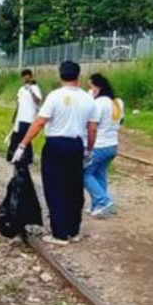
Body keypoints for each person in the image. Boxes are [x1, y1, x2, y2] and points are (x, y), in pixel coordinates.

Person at [12, 61, 98, 246]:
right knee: (75, 188)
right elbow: (92, 129)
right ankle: (73, 231)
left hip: (56, 145)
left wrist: (22, 144)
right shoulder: (88, 98)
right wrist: (89, 150)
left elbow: (40, 122)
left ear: (60, 75)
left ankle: (59, 234)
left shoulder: (55, 96)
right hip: (77, 145)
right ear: (78, 76)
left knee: (55, 188)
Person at [84, 73, 123, 218]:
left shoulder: (99, 103)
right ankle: (97, 206)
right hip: (112, 144)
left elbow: (93, 126)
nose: (90, 90)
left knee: (85, 173)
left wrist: (88, 146)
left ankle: (103, 201)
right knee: (99, 174)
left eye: (91, 87)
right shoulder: (117, 102)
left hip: (99, 145)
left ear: (98, 87)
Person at [7, 69, 44, 176]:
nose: (26, 78)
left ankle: (26, 161)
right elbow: (18, 104)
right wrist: (14, 118)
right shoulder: (21, 89)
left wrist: (31, 91)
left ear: (31, 76)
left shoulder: (35, 88)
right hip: (20, 118)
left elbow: (38, 101)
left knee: (25, 139)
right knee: (16, 139)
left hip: (29, 119)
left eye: (27, 76)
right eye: (24, 76)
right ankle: (16, 160)